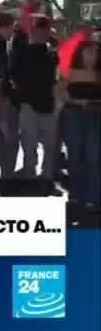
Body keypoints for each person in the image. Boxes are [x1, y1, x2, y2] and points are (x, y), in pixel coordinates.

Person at [11, 15, 59, 183]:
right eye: (41, 29)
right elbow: (15, 75)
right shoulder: (24, 51)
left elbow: (56, 78)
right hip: (30, 103)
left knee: (47, 142)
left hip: (45, 102)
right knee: (30, 142)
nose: (43, 33)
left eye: (46, 30)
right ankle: (32, 172)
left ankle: (44, 173)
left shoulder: (52, 53)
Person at [58, 39, 101, 211]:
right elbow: (60, 91)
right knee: (75, 156)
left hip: (96, 116)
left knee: (93, 157)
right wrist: (76, 101)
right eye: (88, 51)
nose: (91, 55)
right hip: (74, 114)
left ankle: (93, 198)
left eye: (95, 52)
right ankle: (75, 195)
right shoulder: (69, 70)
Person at [0, 13, 24, 180]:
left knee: (6, 137)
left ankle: (6, 173)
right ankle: (5, 174)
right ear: (5, 27)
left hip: (7, 97)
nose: (14, 30)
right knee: (6, 137)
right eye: (13, 27)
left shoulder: (10, 43)